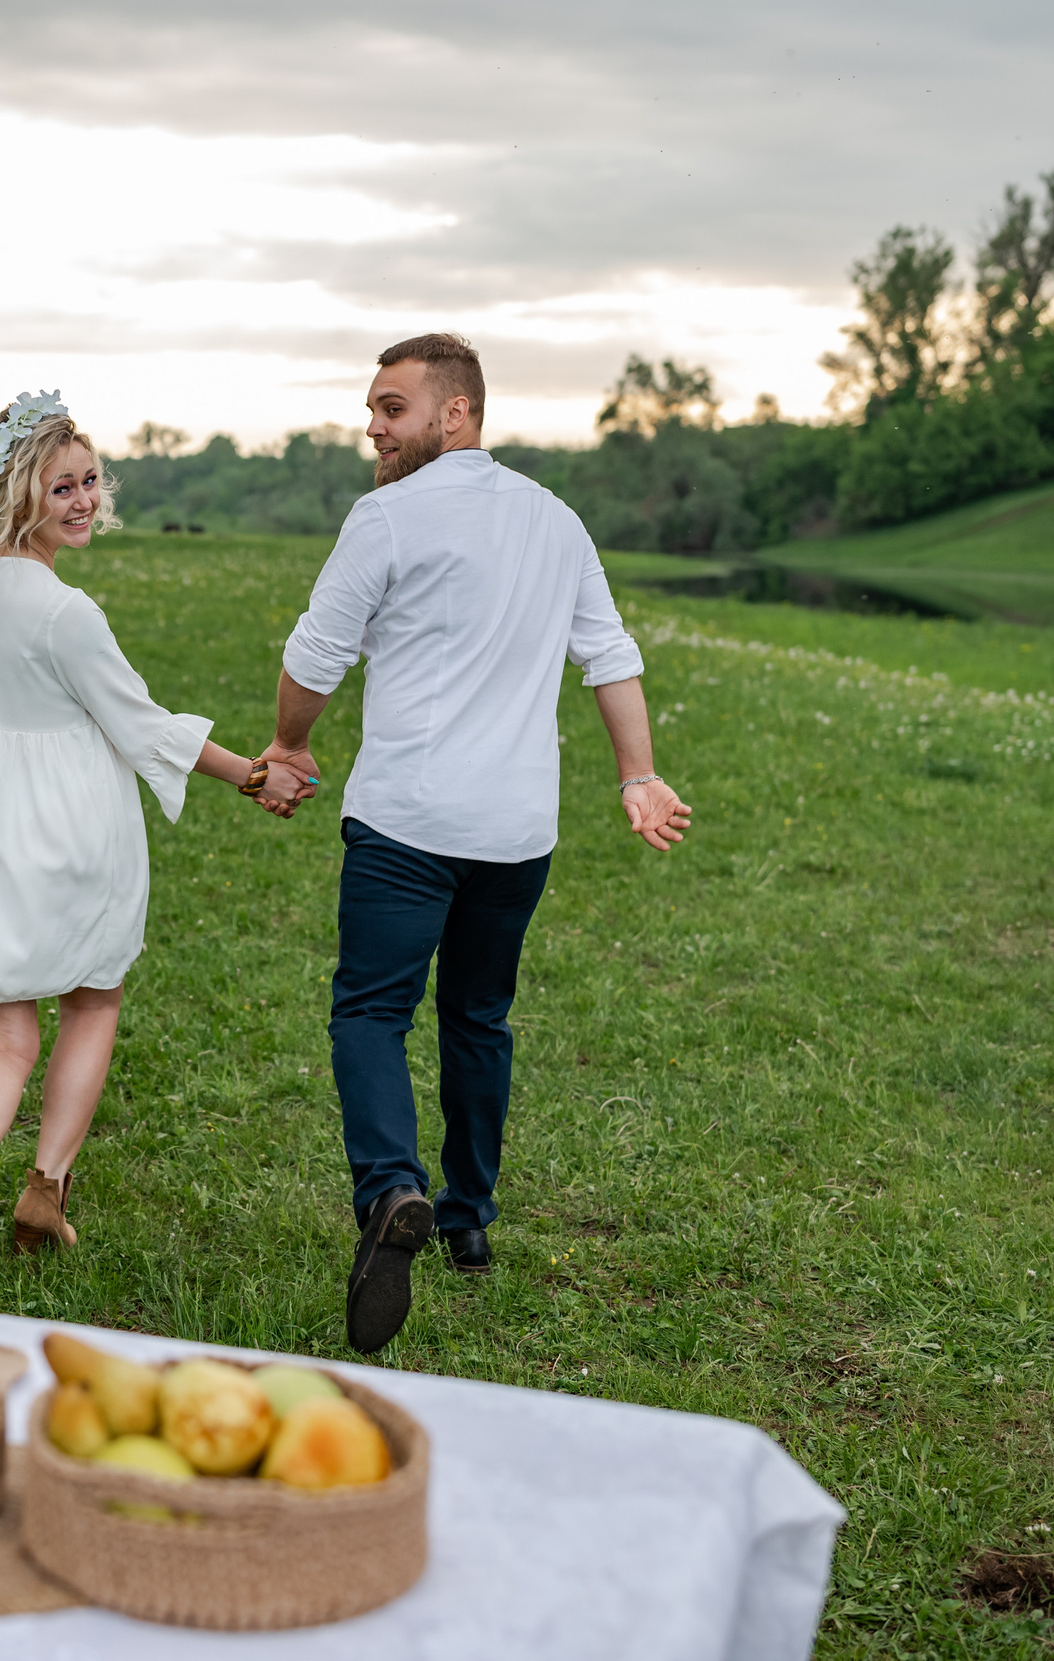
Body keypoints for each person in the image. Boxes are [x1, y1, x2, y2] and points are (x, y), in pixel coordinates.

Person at [251, 332, 692, 1355]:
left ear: (457, 413)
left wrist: (288, 743)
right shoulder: (554, 518)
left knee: (369, 1009)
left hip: (406, 820)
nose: (373, 424)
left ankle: (390, 1190)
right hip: (515, 831)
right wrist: (636, 771)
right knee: (478, 1017)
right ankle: (467, 1219)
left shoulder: (386, 516)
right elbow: (609, 656)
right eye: (371, 406)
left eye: (392, 407)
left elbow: (316, 653)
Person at [0, 391, 265, 1308]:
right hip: (65, 829)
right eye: (65, 486)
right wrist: (248, 772)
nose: (87, 499)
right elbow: (141, 726)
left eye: (92, 481)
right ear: (21, 493)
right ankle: (45, 1190)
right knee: (94, 997)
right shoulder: (66, 612)